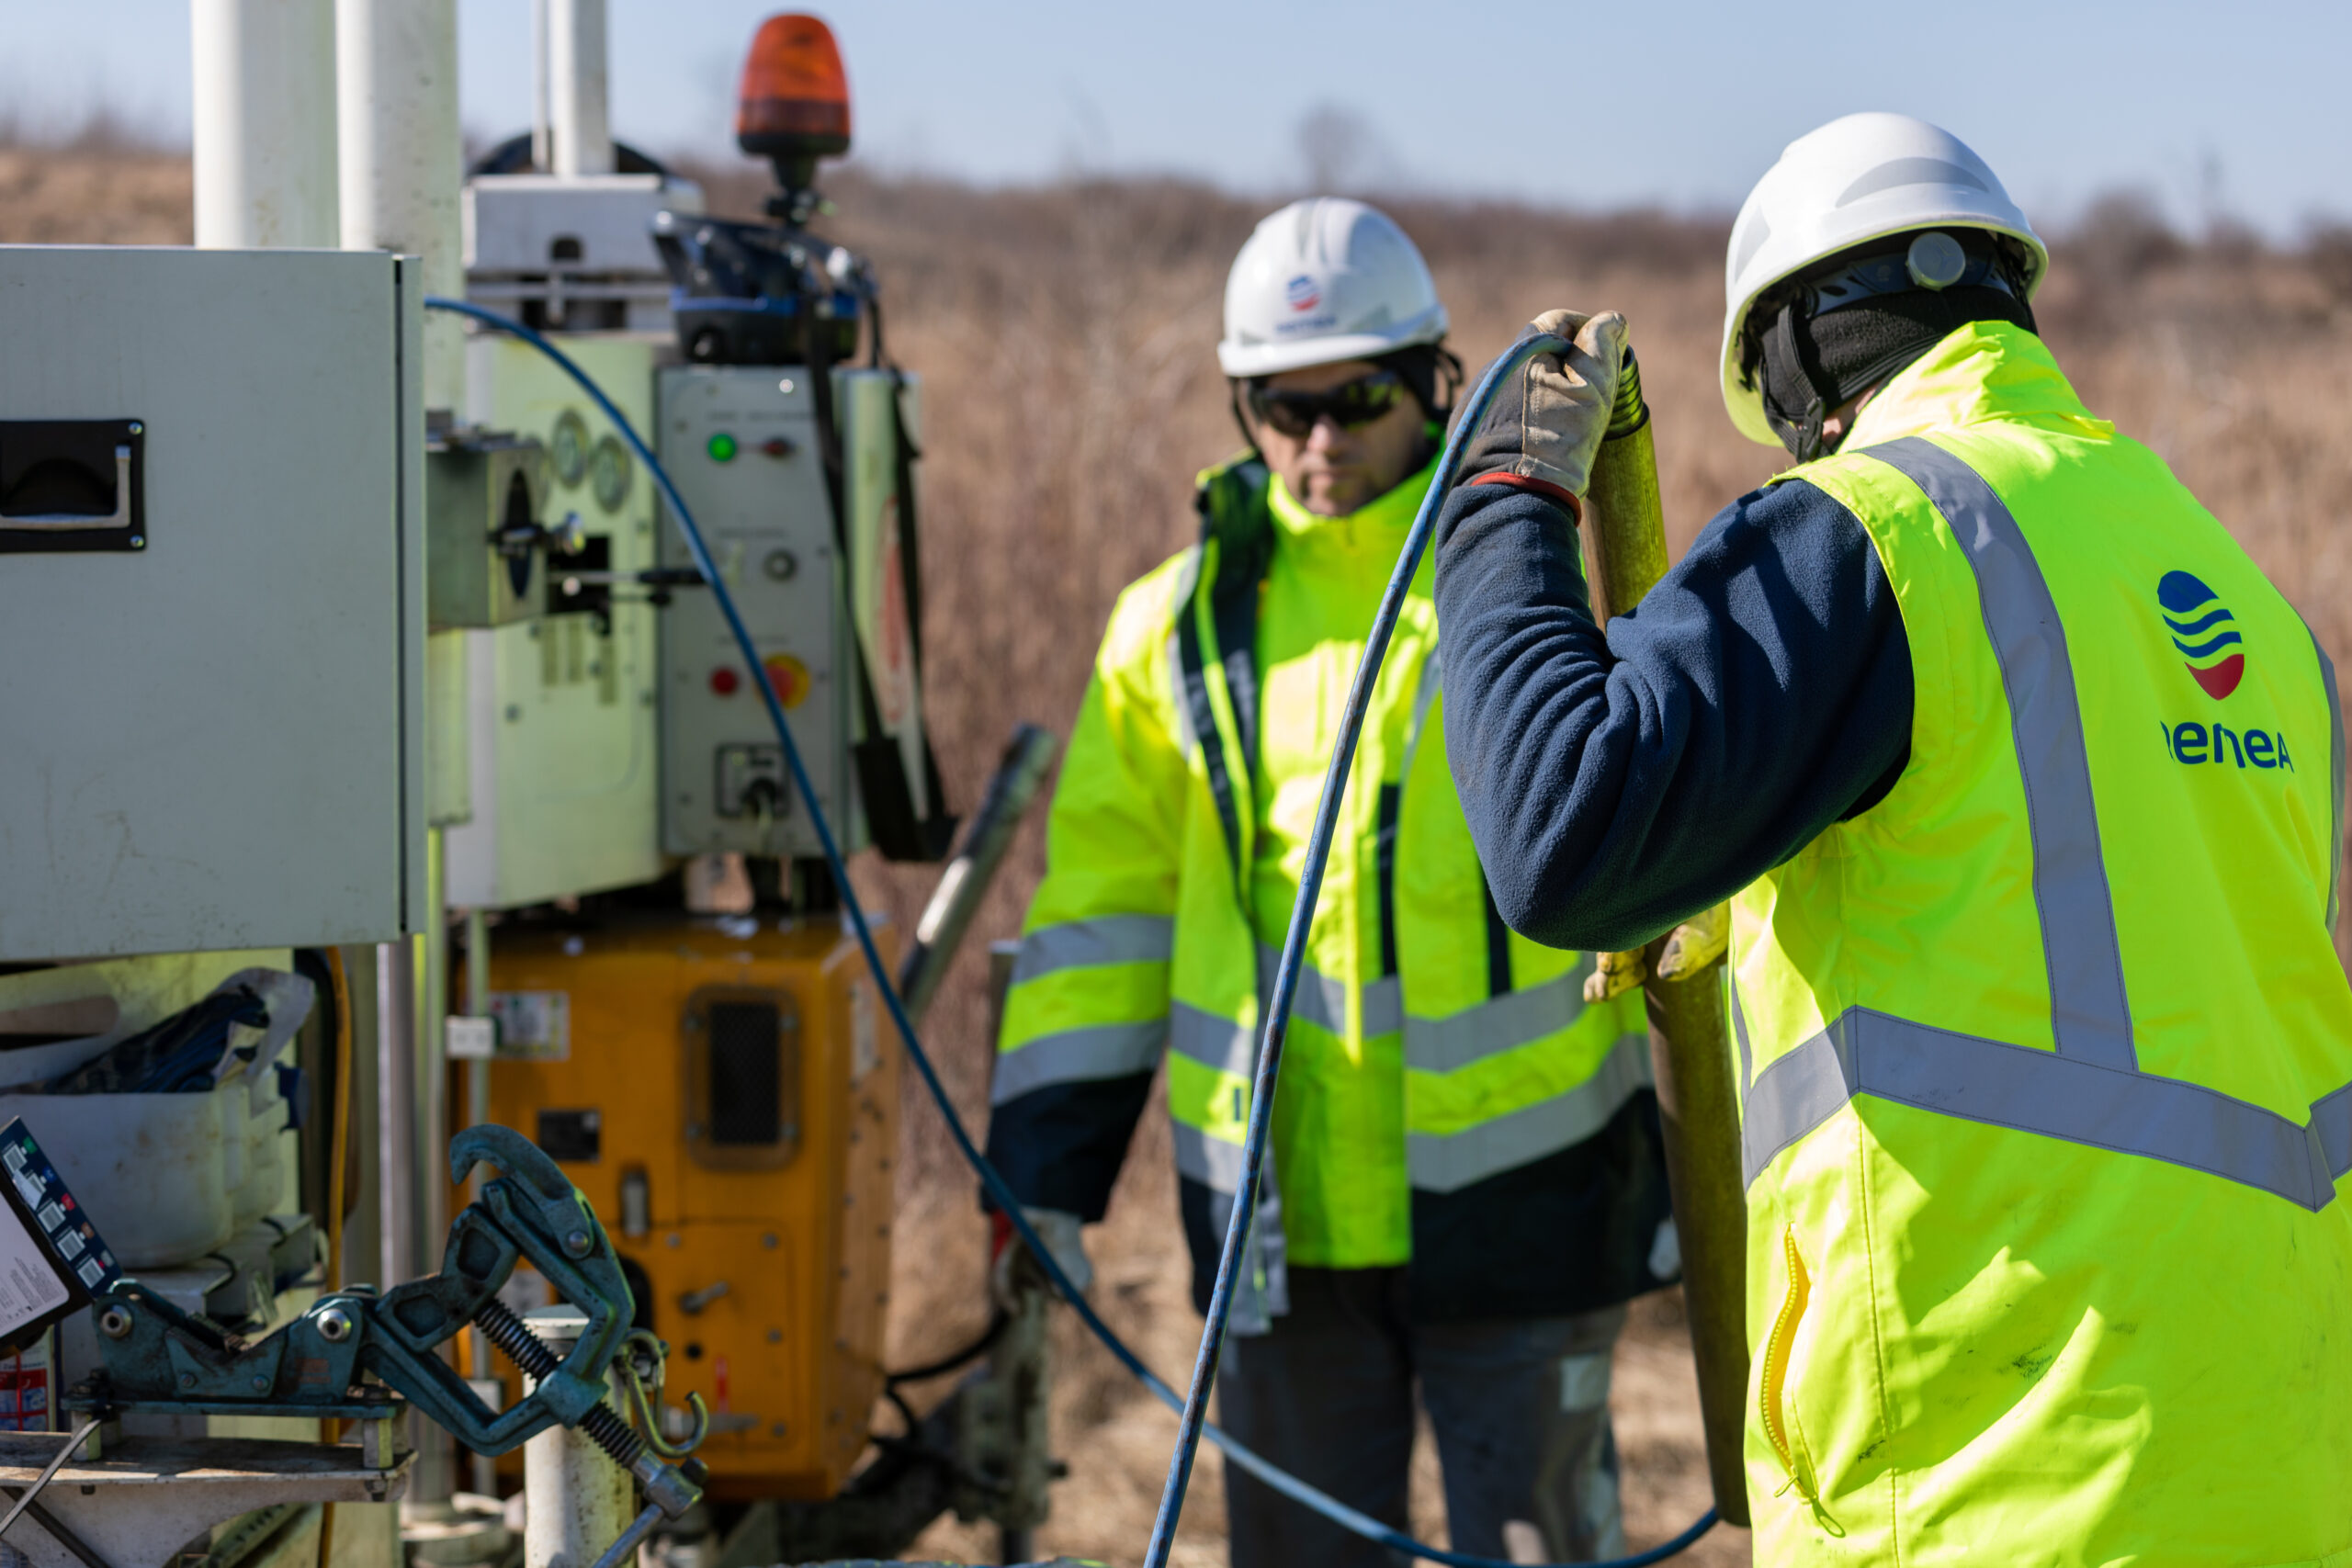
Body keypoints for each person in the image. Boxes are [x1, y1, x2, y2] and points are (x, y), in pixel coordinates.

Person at [1430, 112, 2352, 1564]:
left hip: (1999, 1487)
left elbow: (1563, 827)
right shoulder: (2237, 592)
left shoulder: (1876, 528)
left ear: (1793, 357)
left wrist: (1499, 507)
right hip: (2271, 1472)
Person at [983, 197, 1679, 1566]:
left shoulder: (1524, 587)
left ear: (1432, 382)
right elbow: (1104, 918)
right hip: (1274, 1226)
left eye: (1354, 398)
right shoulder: (1170, 627)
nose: (1314, 440)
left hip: (1530, 1198)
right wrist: (1043, 1165)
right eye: (1276, 404)